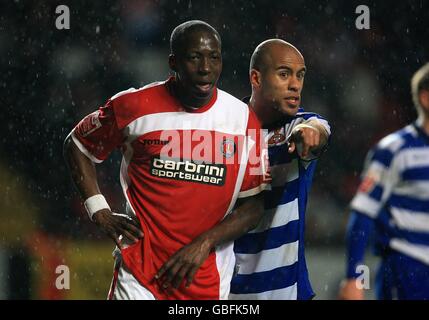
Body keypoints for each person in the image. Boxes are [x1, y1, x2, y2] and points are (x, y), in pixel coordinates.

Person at [63, 20, 268, 300]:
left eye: (214, 57)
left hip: (207, 281)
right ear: (173, 62)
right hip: (139, 276)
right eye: (194, 57)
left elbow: (254, 205)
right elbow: (77, 144)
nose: (206, 68)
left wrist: (204, 242)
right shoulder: (133, 106)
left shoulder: (245, 120)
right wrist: (98, 210)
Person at [229, 39, 330, 300]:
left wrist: (307, 133)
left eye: (300, 75)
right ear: (256, 78)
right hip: (224, 290)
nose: (295, 84)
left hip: (285, 291)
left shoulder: (298, 126)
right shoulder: (224, 128)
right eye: (284, 74)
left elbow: (318, 131)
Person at [338, 63, 429, 300]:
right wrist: (353, 277)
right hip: (407, 267)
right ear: (426, 98)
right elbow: (363, 212)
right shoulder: (394, 150)